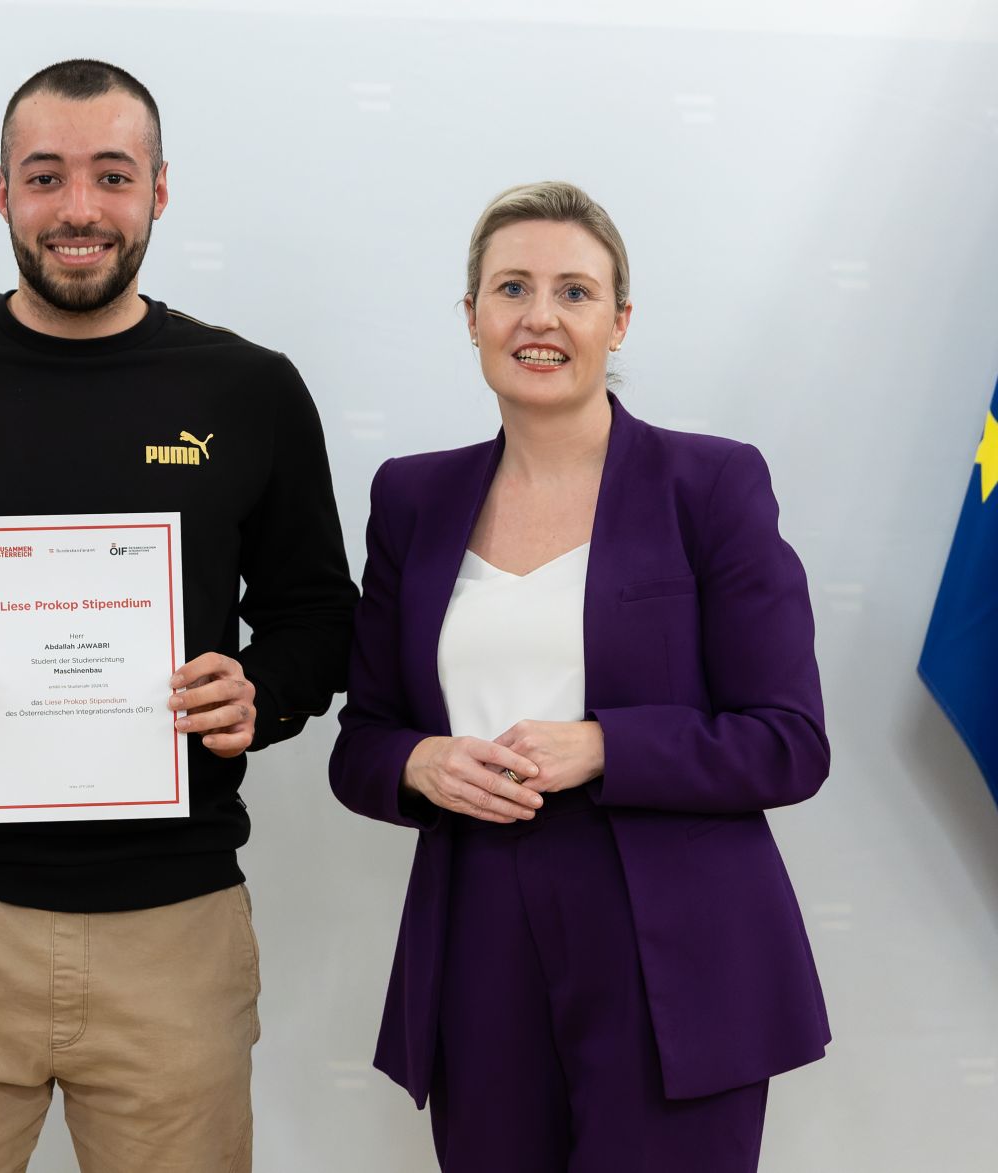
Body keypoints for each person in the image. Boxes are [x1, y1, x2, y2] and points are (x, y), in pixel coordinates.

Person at [0, 59, 356, 1173]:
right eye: (44, 177)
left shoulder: (247, 390)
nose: (78, 209)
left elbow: (316, 616)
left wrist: (262, 691)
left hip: (173, 932)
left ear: (158, 190)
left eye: (110, 175)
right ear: (1, 192)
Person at [329, 181, 830, 1171]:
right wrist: (418, 763)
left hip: (675, 945)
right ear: (471, 316)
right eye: (510, 287)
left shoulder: (710, 484)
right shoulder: (410, 497)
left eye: (573, 291)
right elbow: (362, 742)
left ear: (617, 321)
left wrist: (605, 745)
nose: (538, 316)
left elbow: (788, 742)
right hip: (475, 924)